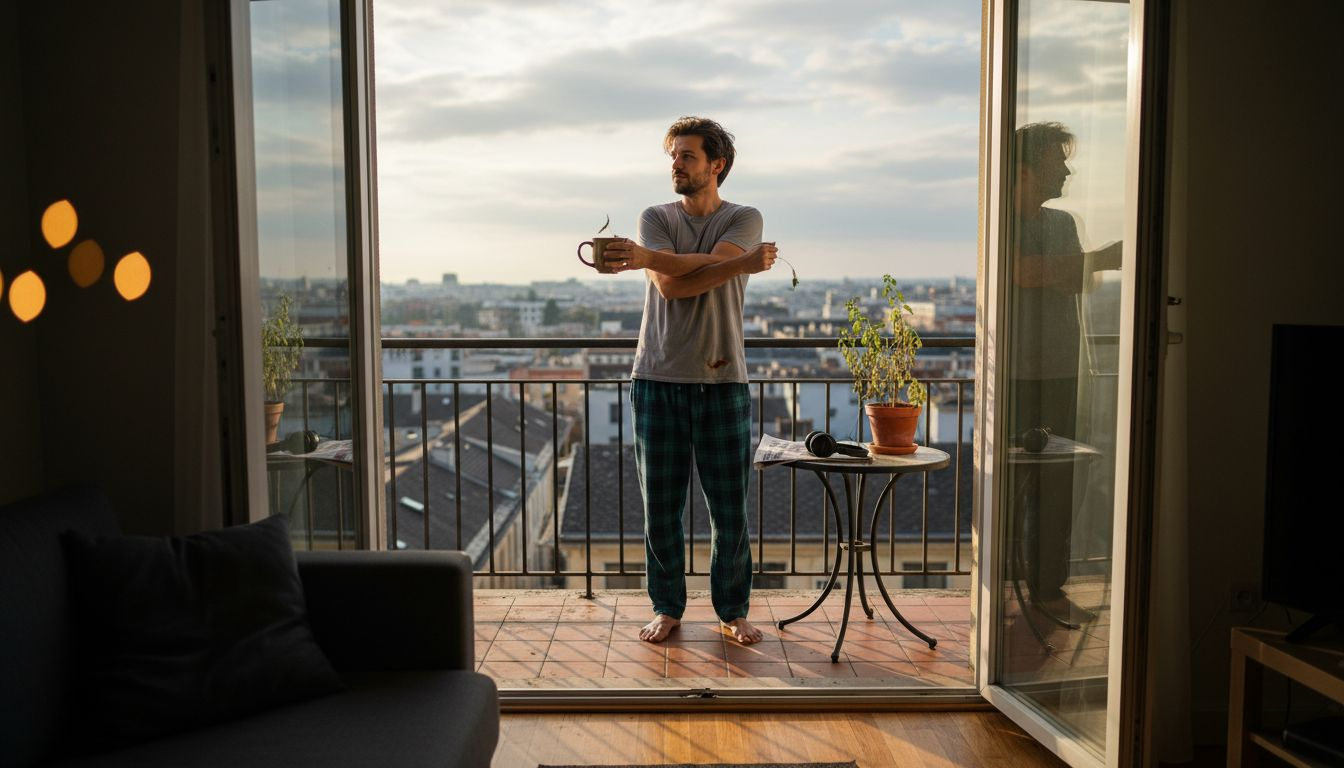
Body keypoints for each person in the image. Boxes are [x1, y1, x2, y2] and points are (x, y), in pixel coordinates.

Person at [600, 116, 778, 645]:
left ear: (716, 164)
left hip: (723, 381)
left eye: (687, 156)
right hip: (656, 377)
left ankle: (732, 610)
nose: (675, 165)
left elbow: (701, 273)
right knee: (662, 509)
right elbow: (675, 287)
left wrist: (648, 259)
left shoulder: (744, 216)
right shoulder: (654, 216)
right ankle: (667, 607)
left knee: (730, 510)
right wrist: (735, 264)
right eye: (673, 156)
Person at [1009, 121, 1121, 617]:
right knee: (1011, 486)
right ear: (1028, 170)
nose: (1068, 171)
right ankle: (1008, 587)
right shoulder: (1001, 221)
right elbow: (1021, 272)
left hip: (1059, 368)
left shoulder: (1062, 223)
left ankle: (1047, 588)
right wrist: (1096, 260)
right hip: (1012, 373)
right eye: (1059, 161)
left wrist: (1063, 271)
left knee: (1060, 484)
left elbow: (1075, 284)